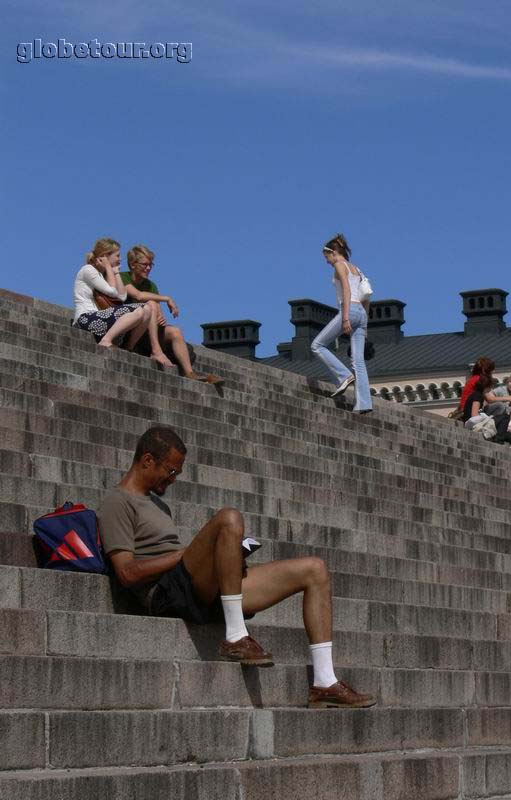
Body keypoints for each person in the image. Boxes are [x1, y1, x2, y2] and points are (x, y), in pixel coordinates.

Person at [97, 425, 375, 709]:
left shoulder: (158, 506)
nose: (173, 479)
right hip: (165, 593)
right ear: (147, 461)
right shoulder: (117, 502)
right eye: (171, 471)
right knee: (229, 518)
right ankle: (235, 636)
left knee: (314, 569)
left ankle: (325, 683)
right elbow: (127, 573)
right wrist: (186, 555)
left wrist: (226, 559)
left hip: (196, 589)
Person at [121, 245, 223, 384]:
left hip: (148, 331)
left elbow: (158, 312)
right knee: (150, 304)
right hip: (131, 329)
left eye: (151, 265)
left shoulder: (151, 285)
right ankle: (156, 351)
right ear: (133, 265)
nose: (149, 268)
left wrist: (160, 316)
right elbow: (138, 296)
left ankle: (189, 372)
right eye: (145, 264)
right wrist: (166, 298)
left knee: (175, 331)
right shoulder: (123, 277)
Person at [310, 234, 372, 414]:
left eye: (326, 256)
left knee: (317, 345)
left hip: (349, 309)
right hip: (361, 312)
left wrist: (345, 317)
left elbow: (346, 288)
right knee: (358, 361)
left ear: (334, 252)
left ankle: (343, 376)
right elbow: (367, 295)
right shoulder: (357, 269)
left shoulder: (339, 265)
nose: (326, 261)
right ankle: (363, 404)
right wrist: (365, 323)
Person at [72, 238, 152, 350]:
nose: (120, 259)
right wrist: (109, 268)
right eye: (117, 255)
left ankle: (128, 347)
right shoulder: (88, 270)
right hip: (85, 319)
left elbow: (122, 297)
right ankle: (106, 340)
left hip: (98, 318)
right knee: (139, 309)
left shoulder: (102, 274)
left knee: (147, 310)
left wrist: (116, 272)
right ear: (105, 255)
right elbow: (112, 292)